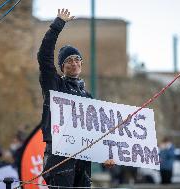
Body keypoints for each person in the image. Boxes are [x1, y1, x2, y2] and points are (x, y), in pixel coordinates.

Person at [37, 8, 114, 188]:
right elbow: (44, 57)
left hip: (82, 162)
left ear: (81, 63)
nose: (74, 63)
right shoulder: (54, 85)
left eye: (77, 59)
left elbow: (94, 132)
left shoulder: (87, 97)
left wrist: (104, 157)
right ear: (62, 66)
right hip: (59, 160)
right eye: (69, 60)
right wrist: (57, 25)